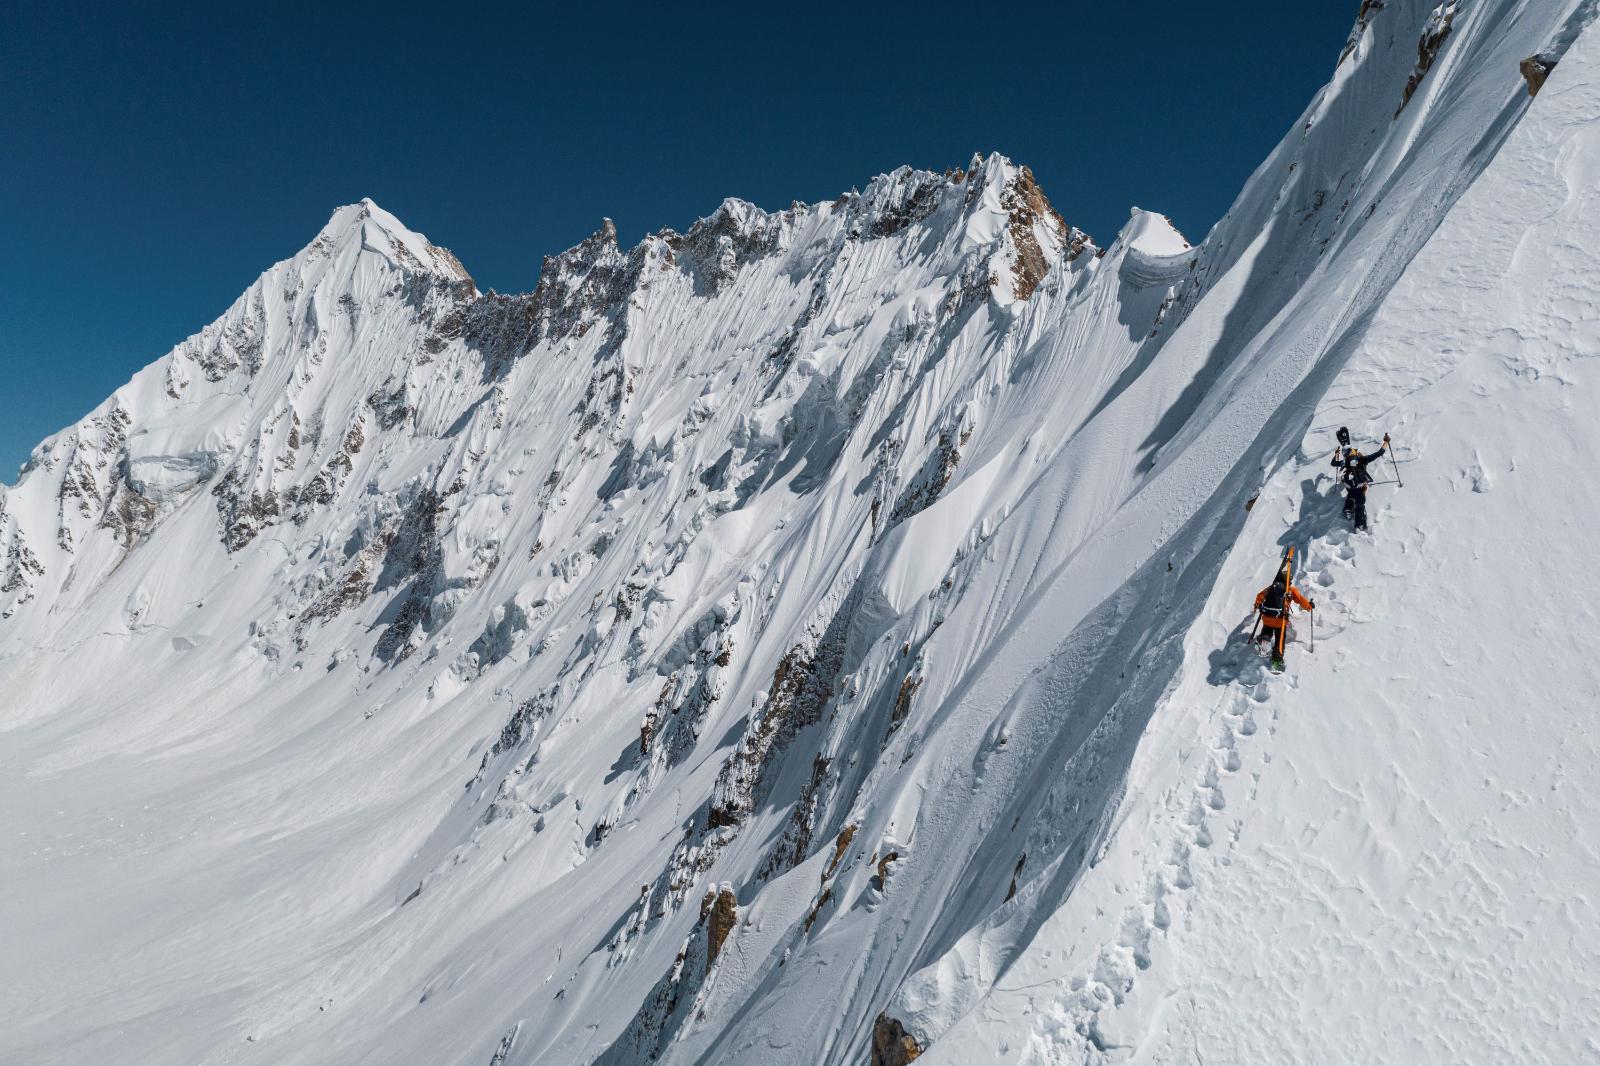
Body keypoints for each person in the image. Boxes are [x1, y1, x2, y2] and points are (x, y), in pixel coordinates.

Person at [1333, 431, 1393, 531]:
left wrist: (1336, 454)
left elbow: (1334, 463)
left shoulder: (1344, 462)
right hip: (1360, 485)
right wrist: (1386, 441)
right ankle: (1359, 524)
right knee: (1360, 502)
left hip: (1348, 484)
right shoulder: (1362, 460)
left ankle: (1348, 508)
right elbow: (1380, 452)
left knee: (1351, 493)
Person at [1254, 573, 1313, 670]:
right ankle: (1276, 661)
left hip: (1267, 618)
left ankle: (1264, 640)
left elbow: (1259, 596)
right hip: (1280, 621)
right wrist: (1309, 606)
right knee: (1279, 641)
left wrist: (1256, 605)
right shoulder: (1290, 590)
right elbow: (1301, 600)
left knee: (1267, 631)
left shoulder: (1271, 588)